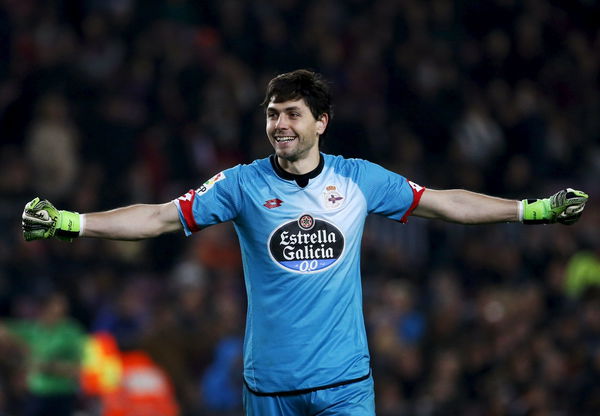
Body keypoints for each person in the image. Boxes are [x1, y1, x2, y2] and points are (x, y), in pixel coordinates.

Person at [21, 69, 588, 416]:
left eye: (292, 113)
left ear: (322, 121)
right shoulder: (241, 184)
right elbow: (160, 218)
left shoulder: (359, 179)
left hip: (345, 385)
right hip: (270, 388)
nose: (279, 124)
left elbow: (444, 202)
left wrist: (530, 210)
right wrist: (72, 222)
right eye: (272, 115)